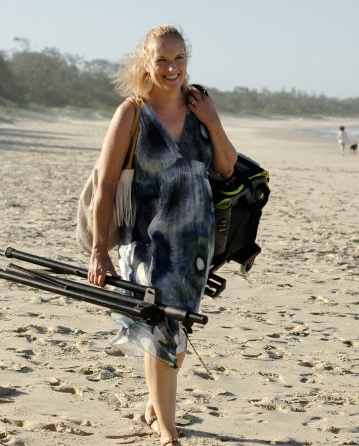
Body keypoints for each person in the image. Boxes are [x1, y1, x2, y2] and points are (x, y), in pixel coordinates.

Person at [88, 25, 237, 446]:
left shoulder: (199, 110)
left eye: (178, 60)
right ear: (146, 63)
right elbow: (104, 185)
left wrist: (212, 119)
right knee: (159, 328)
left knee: (179, 329)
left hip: (193, 243)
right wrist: (99, 250)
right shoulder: (133, 113)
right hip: (146, 242)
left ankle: (156, 408)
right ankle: (168, 433)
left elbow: (226, 168)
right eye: (162, 60)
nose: (171, 69)